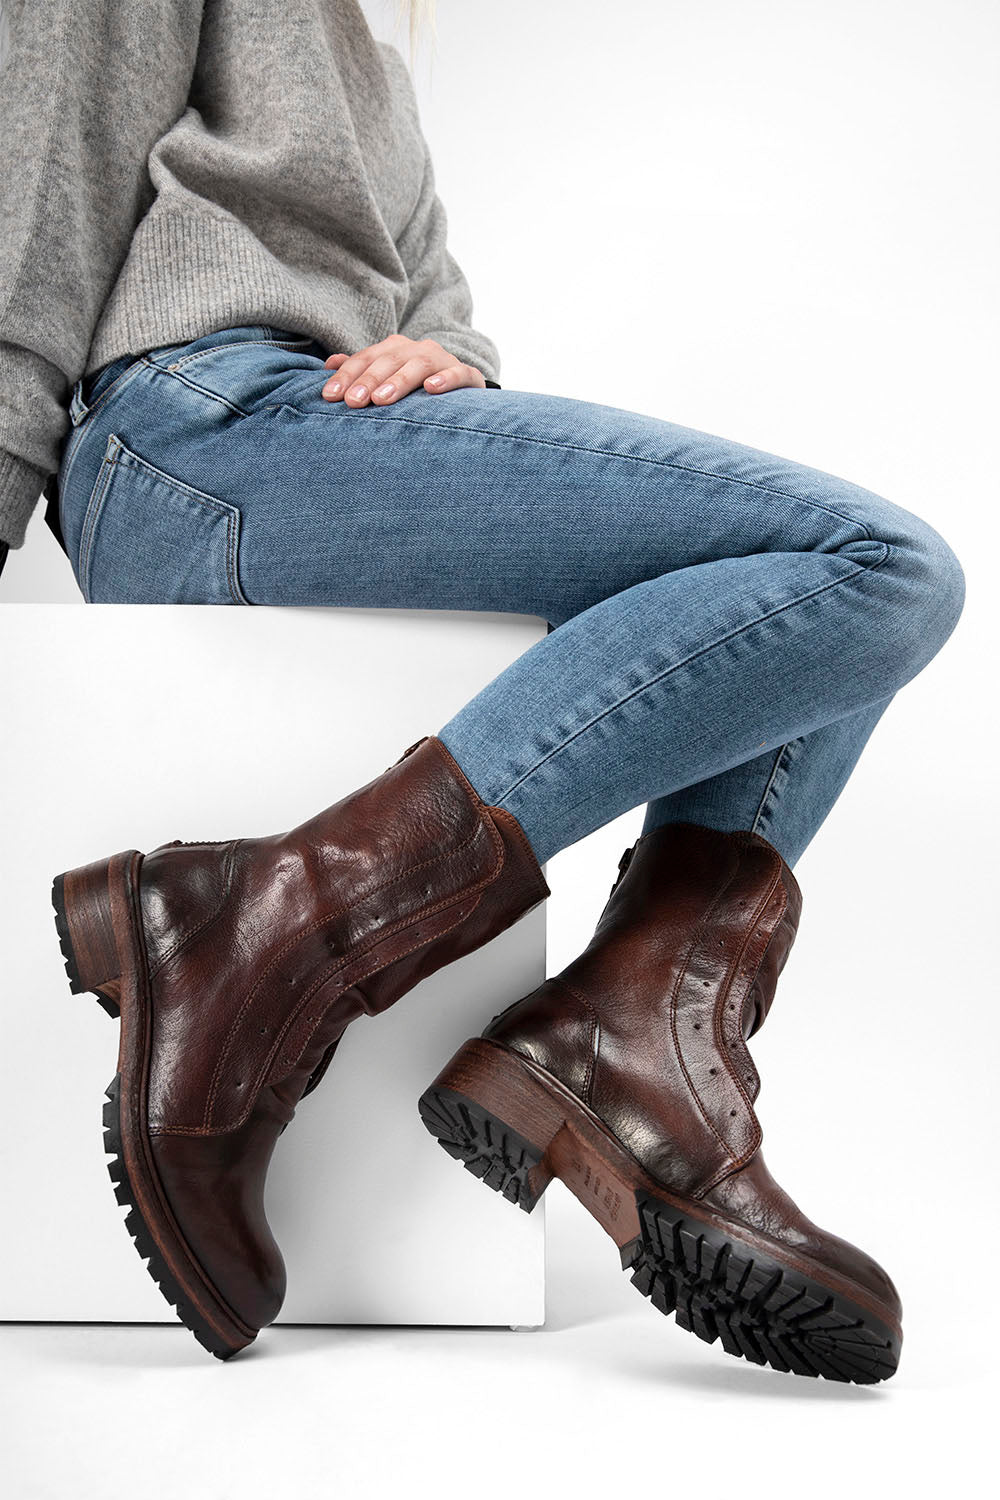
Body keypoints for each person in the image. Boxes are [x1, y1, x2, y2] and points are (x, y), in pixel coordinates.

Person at [4, 1, 964, 1383]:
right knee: (873, 566)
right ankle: (281, 933)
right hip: (190, 435)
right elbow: (35, 195)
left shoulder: (379, 42)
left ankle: (633, 1015)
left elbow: (417, 287)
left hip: (319, 430)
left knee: (805, 597)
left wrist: (451, 356)